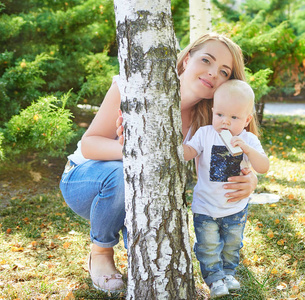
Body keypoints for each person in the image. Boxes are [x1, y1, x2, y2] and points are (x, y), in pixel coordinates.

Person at [59, 33, 258, 292]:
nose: (213, 73)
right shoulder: (134, 87)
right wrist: (134, 151)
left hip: (139, 194)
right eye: (206, 60)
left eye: (223, 71)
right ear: (186, 60)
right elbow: (90, 144)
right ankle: (100, 253)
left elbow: (233, 161)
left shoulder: (211, 121)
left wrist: (250, 178)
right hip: (85, 180)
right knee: (123, 174)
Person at [183, 80, 270, 298]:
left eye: (234, 118)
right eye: (220, 115)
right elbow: (188, 152)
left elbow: (263, 167)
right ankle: (214, 280)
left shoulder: (248, 139)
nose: (225, 122)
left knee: (232, 244)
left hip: (235, 208)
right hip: (205, 206)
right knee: (208, 246)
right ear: (213, 111)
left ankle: (228, 273)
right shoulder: (205, 134)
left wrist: (247, 149)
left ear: (247, 119)